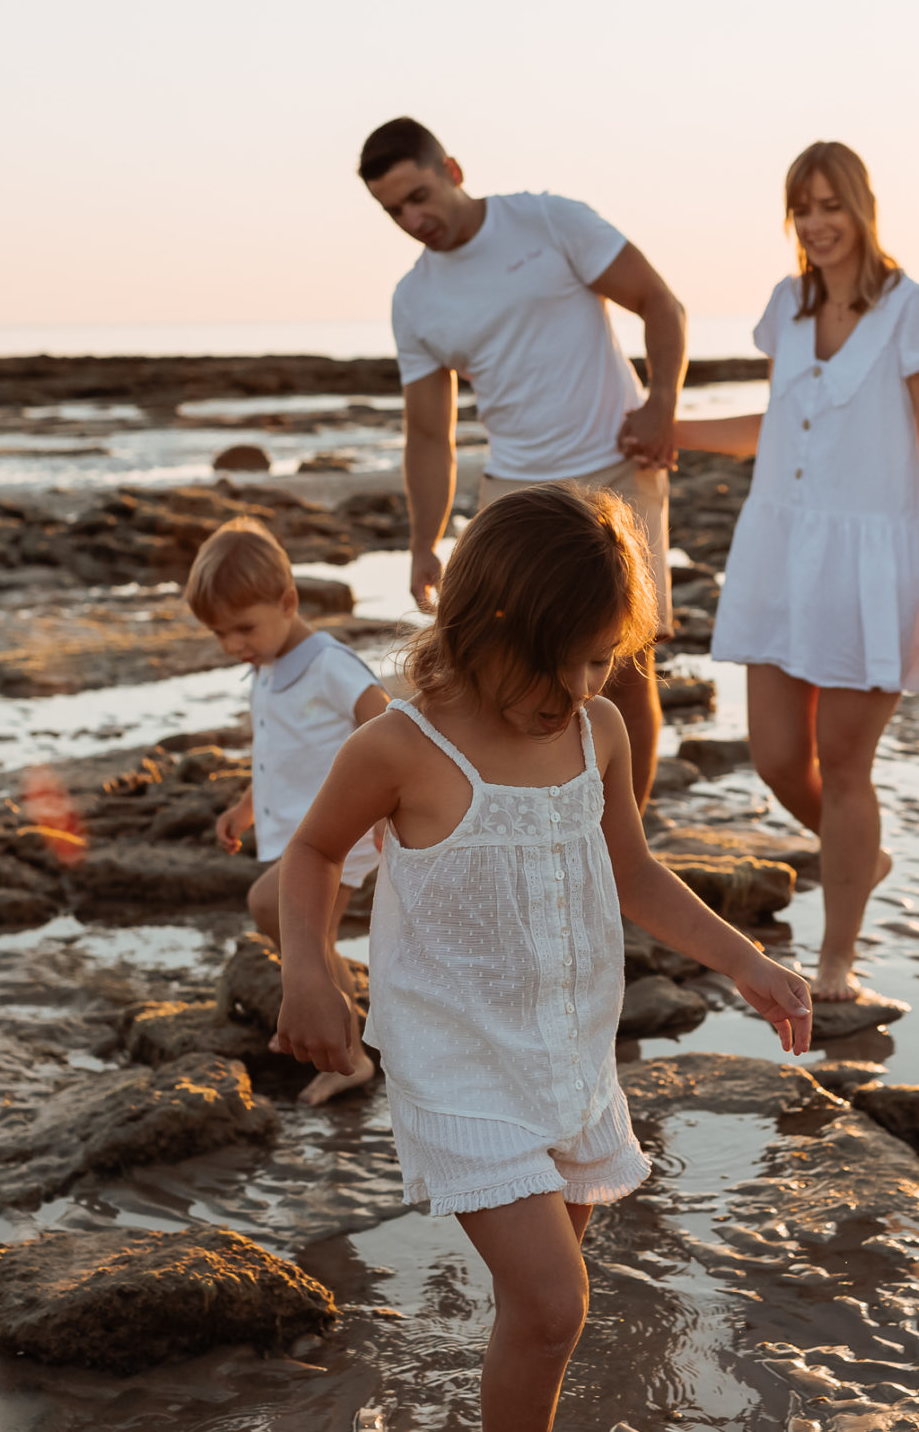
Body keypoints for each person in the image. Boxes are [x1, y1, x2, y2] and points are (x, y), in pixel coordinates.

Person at [271, 484, 813, 1432]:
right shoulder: (404, 746)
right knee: (555, 1305)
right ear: (487, 631)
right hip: (459, 1064)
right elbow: (313, 854)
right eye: (561, 667)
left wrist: (745, 962)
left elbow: (633, 873)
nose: (581, 690)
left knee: (540, 1313)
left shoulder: (596, 733)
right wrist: (309, 971)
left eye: (602, 664)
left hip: (570, 1056)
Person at [673, 143, 919, 1003]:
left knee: (843, 765)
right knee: (774, 759)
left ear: (864, 207)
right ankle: (860, 854)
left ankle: (837, 960)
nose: (817, 223)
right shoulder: (787, 306)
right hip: (781, 550)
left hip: (872, 562)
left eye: (831, 204)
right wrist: (668, 429)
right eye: (802, 207)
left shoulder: (917, 310)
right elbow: (781, 427)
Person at [359, 115, 688, 806]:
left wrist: (660, 406)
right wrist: (425, 541)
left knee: (623, 668)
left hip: (616, 468)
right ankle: (543, 815)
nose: (414, 218)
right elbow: (427, 432)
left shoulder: (549, 222)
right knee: (509, 667)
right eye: (394, 211)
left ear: (452, 169)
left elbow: (661, 302)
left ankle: (621, 843)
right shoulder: (415, 299)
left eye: (420, 196)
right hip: (514, 492)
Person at [185, 516, 390, 1104]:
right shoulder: (267, 671)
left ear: (288, 601)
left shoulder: (327, 663)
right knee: (315, 941)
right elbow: (274, 753)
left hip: (339, 833)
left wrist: (382, 805)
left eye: (243, 628)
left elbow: (381, 719)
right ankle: (339, 1044)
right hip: (301, 837)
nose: (232, 646)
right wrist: (246, 808)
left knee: (267, 906)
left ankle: (339, 1038)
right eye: (219, 635)